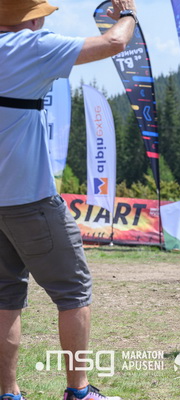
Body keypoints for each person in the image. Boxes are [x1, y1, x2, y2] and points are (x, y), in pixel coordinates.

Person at [0, 1, 137, 399]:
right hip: (30, 200)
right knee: (73, 291)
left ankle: (8, 392)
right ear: (32, 18)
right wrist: (129, 14)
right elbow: (114, 43)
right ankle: (78, 391)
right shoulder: (31, 46)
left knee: (5, 298)